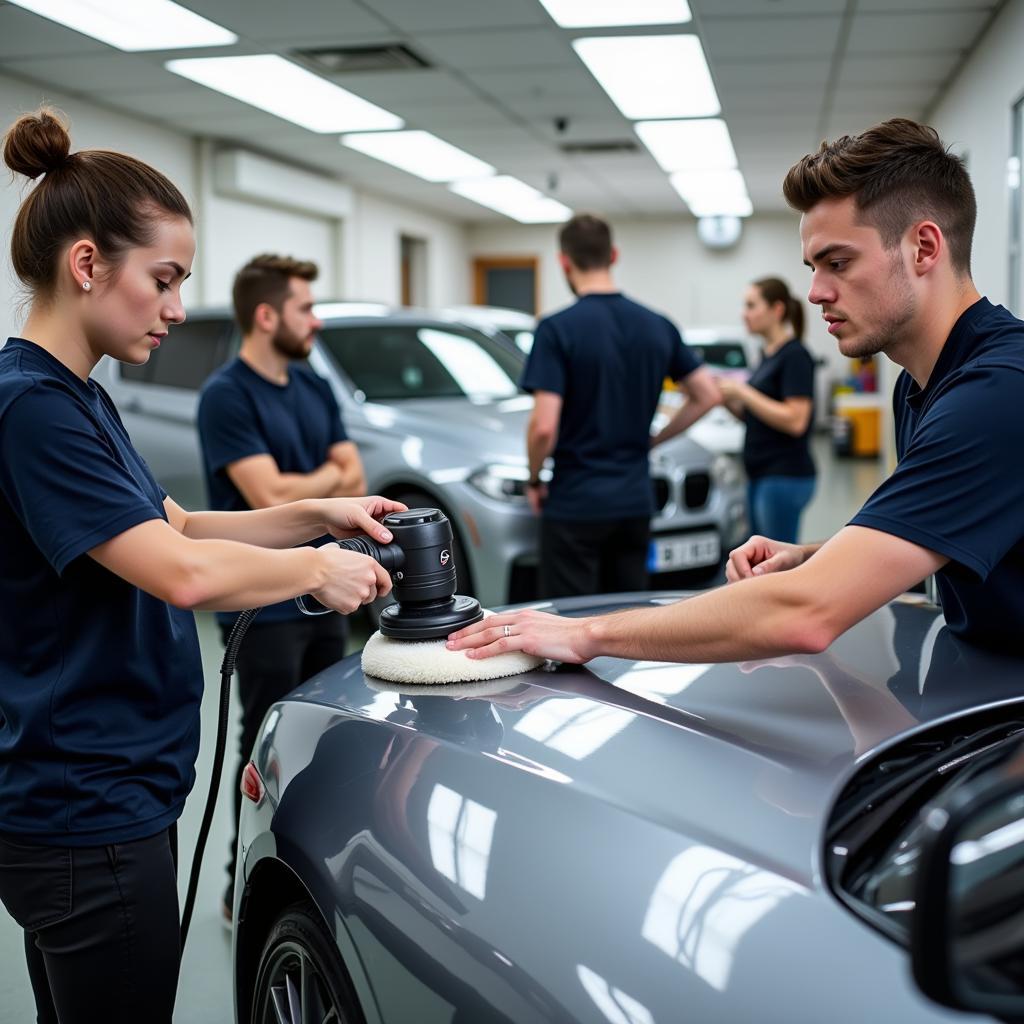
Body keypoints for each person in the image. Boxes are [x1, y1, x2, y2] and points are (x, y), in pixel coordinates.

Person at [0, 108, 400, 1024]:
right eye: (166, 280)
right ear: (89, 264)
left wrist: (317, 513)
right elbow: (180, 574)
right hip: (82, 811)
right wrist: (314, 572)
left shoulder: (78, 397)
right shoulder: (32, 410)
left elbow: (176, 524)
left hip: (103, 797)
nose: (180, 311)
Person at [448, 117, 1024, 664]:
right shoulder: (919, 385)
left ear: (924, 248)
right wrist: (809, 557)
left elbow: (806, 614)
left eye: (838, 262)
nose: (816, 292)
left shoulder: (998, 393)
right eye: (811, 267)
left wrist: (584, 633)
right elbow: (929, 536)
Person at [197, 254, 365, 923]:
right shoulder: (227, 396)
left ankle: (313, 880)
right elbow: (265, 494)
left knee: (327, 735)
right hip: (260, 606)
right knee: (265, 744)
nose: (315, 321)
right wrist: (325, 477)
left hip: (323, 590)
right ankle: (245, 889)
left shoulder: (312, 388)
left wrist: (321, 480)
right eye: (304, 308)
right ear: (266, 316)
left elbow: (350, 475)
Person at [522, 213, 720, 598]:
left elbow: (544, 427)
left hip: (576, 502)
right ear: (613, 255)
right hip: (634, 502)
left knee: (571, 623)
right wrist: (656, 439)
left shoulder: (556, 329)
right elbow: (707, 394)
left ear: (564, 262)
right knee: (626, 614)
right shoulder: (657, 324)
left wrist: (533, 478)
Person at [717, 277, 816, 543]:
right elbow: (755, 416)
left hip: (784, 476)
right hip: (760, 474)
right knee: (759, 555)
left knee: (774, 561)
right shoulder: (767, 356)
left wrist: (743, 392)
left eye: (751, 305)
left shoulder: (794, 356)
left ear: (777, 310)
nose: (744, 314)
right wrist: (725, 398)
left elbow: (796, 420)